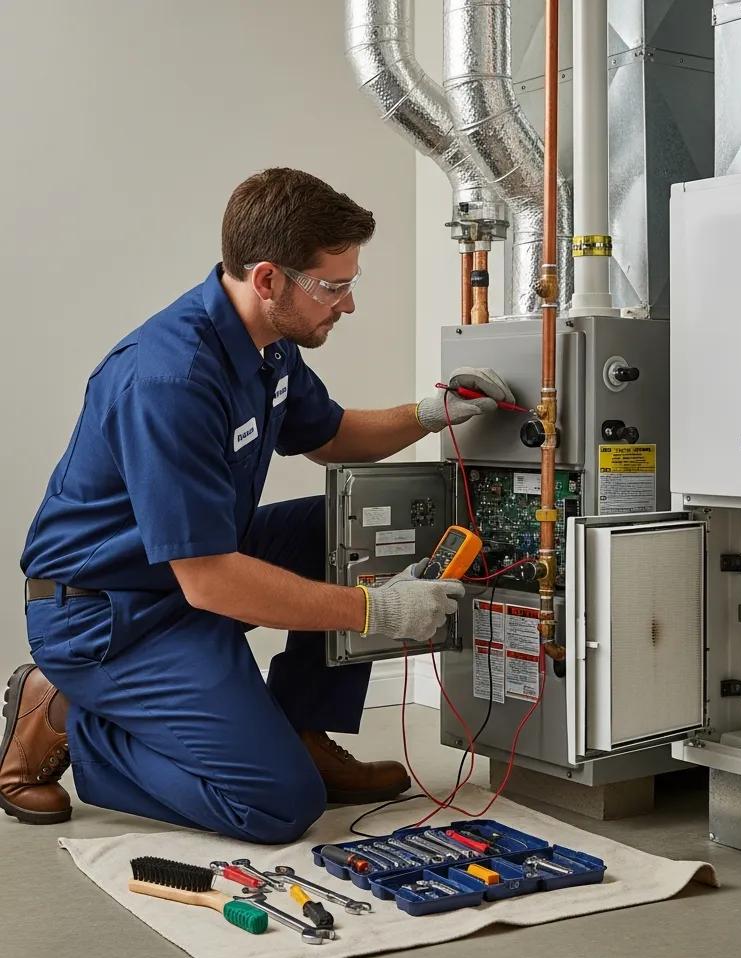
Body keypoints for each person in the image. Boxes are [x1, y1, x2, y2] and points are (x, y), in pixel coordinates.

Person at [0, 167, 513, 844]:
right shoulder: (171, 380)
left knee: (335, 522)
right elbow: (211, 580)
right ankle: (77, 714)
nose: (348, 304)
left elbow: (329, 436)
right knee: (275, 805)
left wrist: (431, 413)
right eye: (333, 287)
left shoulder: (266, 348)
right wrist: (375, 609)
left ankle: (302, 728)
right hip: (105, 614)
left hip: (178, 578)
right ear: (268, 278)